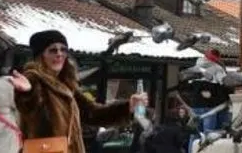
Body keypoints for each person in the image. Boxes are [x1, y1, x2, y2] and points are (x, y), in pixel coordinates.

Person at [15, 30, 146, 153]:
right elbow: (28, 107)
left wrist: (127, 107)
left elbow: (92, 113)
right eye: (53, 50)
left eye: (63, 49)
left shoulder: (66, 86)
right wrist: (27, 93)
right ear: (41, 56)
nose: (59, 54)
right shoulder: (33, 79)